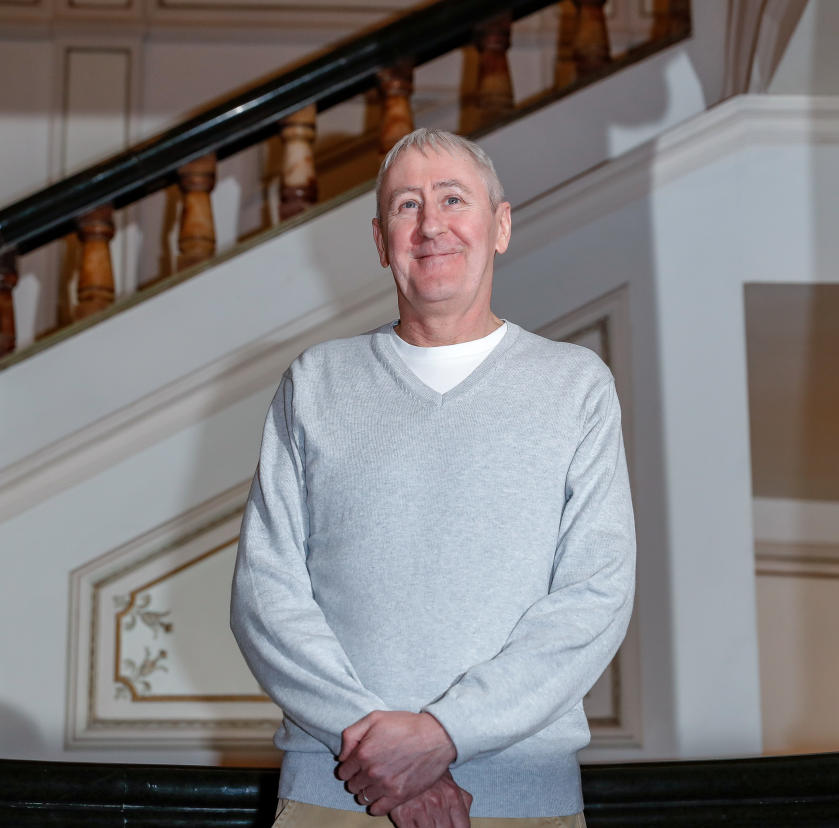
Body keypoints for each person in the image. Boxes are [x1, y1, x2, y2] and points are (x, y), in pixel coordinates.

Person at [230, 128, 635, 828]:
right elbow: (266, 594)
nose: (431, 225)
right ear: (382, 241)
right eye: (406, 206)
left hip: (520, 800)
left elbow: (595, 595)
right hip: (335, 794)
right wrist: (386, 755)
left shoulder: (576, 387)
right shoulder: (316, 382)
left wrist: (443, 736)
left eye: (454, 199)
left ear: (500, 225)